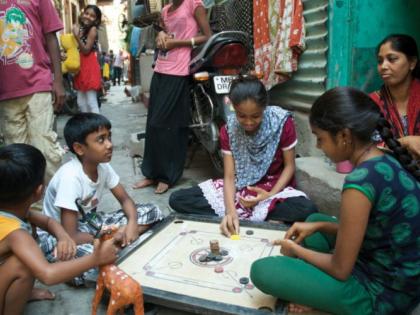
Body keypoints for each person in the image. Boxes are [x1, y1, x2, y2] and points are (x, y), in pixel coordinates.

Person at [250, 87, 420, 315]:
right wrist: (319, 225)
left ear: (344, 137)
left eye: (320, 139)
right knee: (313, 219)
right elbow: (373, 228)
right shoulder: (385, 158)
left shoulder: (359, 183)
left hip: (383, 295)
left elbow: (340, 270)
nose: (319, 147)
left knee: (263, 271)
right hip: (400, 274)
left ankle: (330, 309)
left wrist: (295, 251)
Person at [170, 77, 318, 235]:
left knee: (306, 209)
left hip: (273, 188)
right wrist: (230, 211)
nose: (248, 122)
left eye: (255, 116)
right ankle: (257, 217)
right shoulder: (229, 131)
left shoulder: (281, 122)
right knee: (178, 199)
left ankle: (255, 214)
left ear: (264, 107)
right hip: (241, 188)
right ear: (233, 107)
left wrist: (269, 195)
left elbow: (289, 166)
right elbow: (229, 177)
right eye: (242, 116)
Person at [39, 113, 163, 286]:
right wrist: (109, 237)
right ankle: (120, 246)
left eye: (109, 137)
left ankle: (117, 247)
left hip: (91, 224)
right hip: (61, 235)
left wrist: (132, 222)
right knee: (84, 268)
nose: (110, 145)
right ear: (80, 149)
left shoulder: (103, 166)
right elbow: (71, 235)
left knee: (153, 210)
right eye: (101, 140)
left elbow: (125, 200)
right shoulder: (70, 178)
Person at [0, 143, 118, 314]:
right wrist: (96, 258)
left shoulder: (13, 211)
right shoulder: (16, 234)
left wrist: (63, 236)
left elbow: (48, 222)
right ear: (39, 190)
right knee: (23, 265)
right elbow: (47, 275)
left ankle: (21, 292)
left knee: (27, 252)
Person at [133, 0, 212, 194]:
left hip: (179, 70)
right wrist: (160, 33)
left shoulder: (194, 4)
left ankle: (168, 176)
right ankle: (151, 173)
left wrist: (178, 43)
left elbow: (207, 36)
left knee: (169, 124)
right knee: (152, 123)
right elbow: (162, 32)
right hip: (161, 67)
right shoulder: (166, 11)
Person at [0, 0, 65, 184]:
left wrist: (58, 80)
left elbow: (51, 37)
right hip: (6, 92)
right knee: (16, 157)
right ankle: (29, 210)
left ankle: (56, 205)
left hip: (38, 83)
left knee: (45, 148)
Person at [370, 34, 420, 159]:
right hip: (387, 173)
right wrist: (405, 142)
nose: (383, 66)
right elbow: (365, 149)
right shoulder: (370, 103)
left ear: (412, 63)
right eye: (380, 61)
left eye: (392, 59)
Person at [72, 5, 102, 113]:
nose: (88, 17)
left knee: (91, 101)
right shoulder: (81, 28)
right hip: (80, 65)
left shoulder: (93, 29)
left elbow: (85, 50)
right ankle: (88, 127)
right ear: (82, 13)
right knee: (81, 102)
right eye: (86, 13)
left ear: (96, 20)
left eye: (92, 16)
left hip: (89, 65)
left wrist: (77, 37)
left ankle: (98, 127)